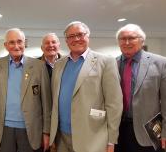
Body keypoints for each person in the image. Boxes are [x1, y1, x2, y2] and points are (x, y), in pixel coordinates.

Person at [49, 21, 123, 152]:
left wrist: (112, 140)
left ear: (88, 36)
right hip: (61, 136)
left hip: (92, 136)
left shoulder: (106, 62)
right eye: (71, 36)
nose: (76, 39)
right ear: (66, 40)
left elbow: (114, 104)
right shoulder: (59, 64)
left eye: (80, 34)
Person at [0, 28, 51, 152]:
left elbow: (46, 103)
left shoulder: (39, 66)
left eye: (19, 42)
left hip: (30, 130)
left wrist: (46, 132)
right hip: (4, 130)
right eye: (12, 42)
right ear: (5, 45)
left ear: (24, 43)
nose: (16, 46)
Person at [114, 24, 166, 152]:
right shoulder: (112, 64)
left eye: (131, 38)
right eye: (122, 39)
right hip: (118, 130)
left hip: (148, 131)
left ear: (142, 40)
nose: (127, 42)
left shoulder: (160, 63)